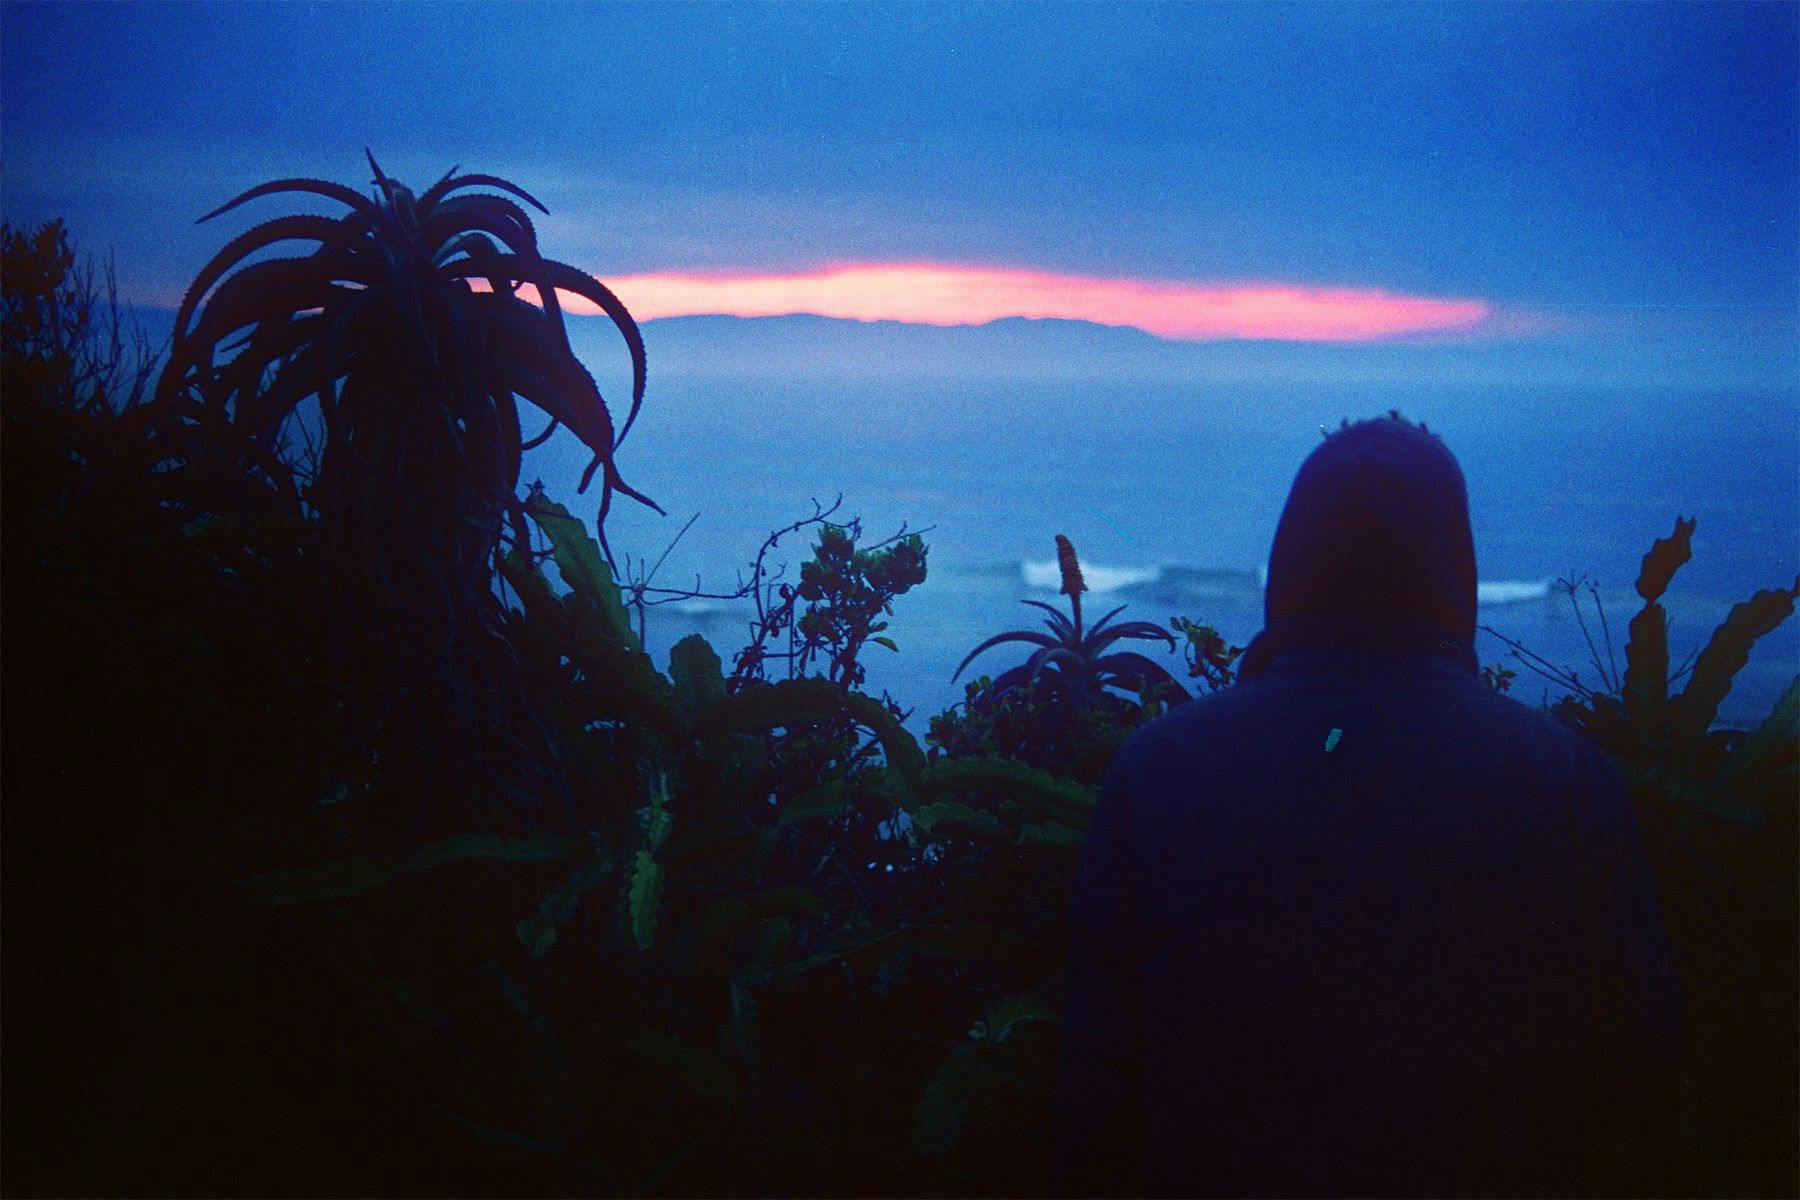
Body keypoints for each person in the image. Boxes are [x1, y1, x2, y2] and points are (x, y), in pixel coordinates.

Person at [1051, 412, 1688, 1198]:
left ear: (1289, 564)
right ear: (1455, 570)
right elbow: (1645, 1096)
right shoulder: (1567, 783)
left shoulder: (1157, 772)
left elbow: (1094, 1107)